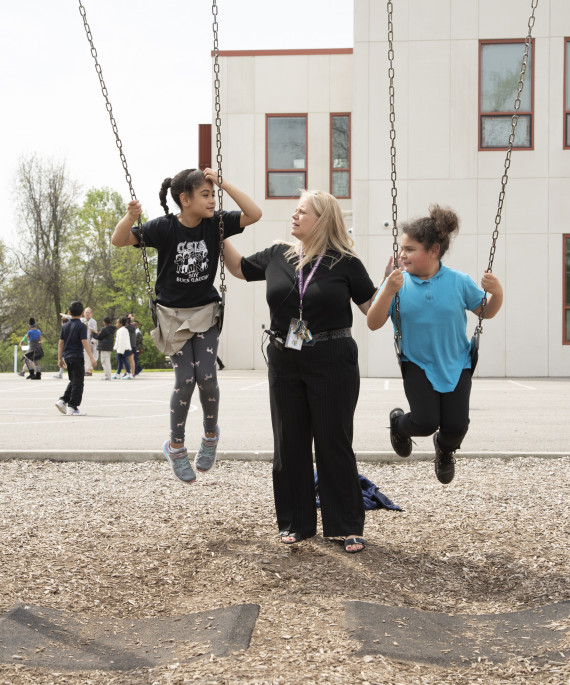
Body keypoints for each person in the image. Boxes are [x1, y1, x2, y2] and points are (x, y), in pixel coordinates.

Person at [223, 190, 377, 554]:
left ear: (322, 220)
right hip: (285, 357)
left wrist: (393, 287)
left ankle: (346, 524)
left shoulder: (346, 263)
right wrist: (216, 231)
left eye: (301, 212)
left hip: (332, 358)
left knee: (333, 442)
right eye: (294, 211)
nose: (294, 216)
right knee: (289, 443)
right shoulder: (279, 254)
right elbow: (239, 268)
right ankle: (296, 522)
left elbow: (373, 311)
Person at [111, 167, 262, 483]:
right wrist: (130, 216)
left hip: (205, 313)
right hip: (172, 317)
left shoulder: (215, 224)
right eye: (205, 195)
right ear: (185, 199)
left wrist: (222, 182)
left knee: (207, 376)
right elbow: (119, 239)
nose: (211, 200)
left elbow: (254, 213)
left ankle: (210, 436)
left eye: (213, 195)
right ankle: (176, 446)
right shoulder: (164, 228)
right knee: (185, 380)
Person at [366, 204, 503, 484]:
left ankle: (445, 448)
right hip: (416, 362)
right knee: (425, 421)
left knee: (456, 426)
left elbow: (486, 311)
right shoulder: (397, 283)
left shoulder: (459, 282)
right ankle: (399, 425)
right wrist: (387, 289)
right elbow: (373, 321)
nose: (402, 255)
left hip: (457, 363)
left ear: (433, 251)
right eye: (402, 248)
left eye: (410, 249)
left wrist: (497, 292)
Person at [55, 301, 98, 416]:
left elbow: (60, 343)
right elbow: (84, 342)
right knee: (79, 383)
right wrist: (92, 358)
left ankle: (63, 400)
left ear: (69, 312)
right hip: (77, 356)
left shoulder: (65, 326)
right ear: (83, 313)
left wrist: (60, 358)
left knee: (74, 380)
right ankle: (73, 407)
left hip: (67, 357)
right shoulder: (81, 326)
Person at [92, 316, 116, 380]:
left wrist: (93, 333)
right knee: (107, 361)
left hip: (104, 347)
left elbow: (99, 337)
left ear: (104, 322)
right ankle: (108, 375)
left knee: (104, 361)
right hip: (109, 347)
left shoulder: (104, 329)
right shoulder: (112, 329)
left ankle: (107, 376)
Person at [82, 308, 98, 376]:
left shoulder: (93, 321)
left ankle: (89, 370)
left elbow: (94, 331)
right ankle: (86, 370)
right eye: (86, 312)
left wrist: (93, 340)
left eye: (88, 312)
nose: (87, 314)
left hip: (90, 341)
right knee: (86, 356)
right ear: (84, 313)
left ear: (91, 313)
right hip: (83, 341)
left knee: (92, 356)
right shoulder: (82, 320)